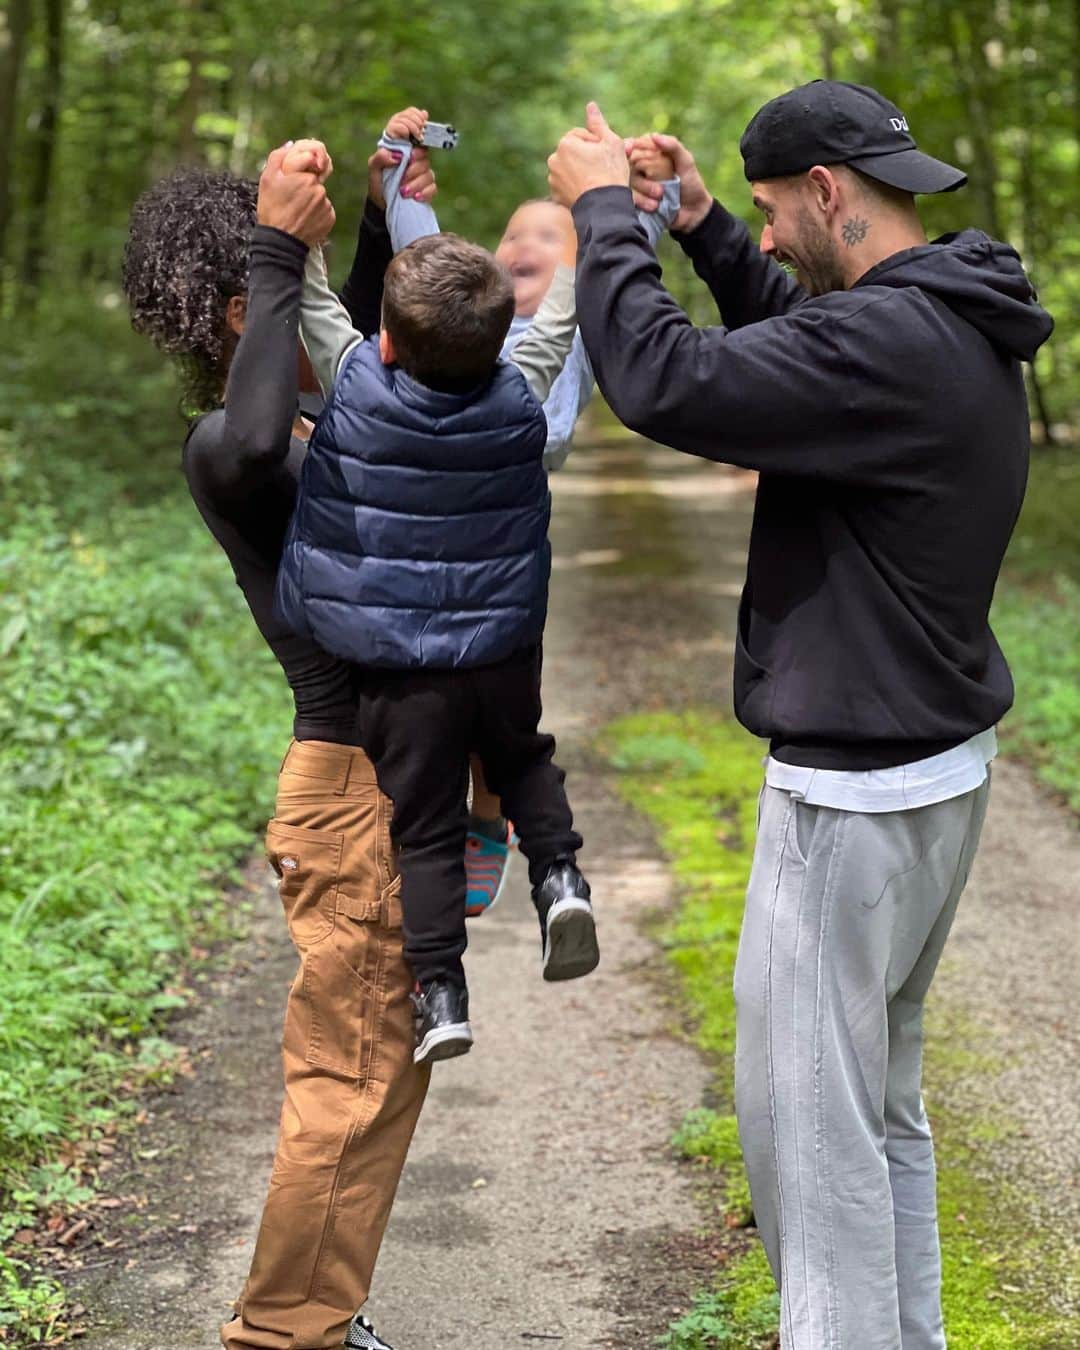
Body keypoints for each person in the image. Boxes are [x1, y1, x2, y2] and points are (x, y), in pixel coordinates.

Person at [547, 83, 1053, 1350]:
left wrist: (607, 216)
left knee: (810, 1147)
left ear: (829, 193)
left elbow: (666, 380)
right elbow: (803, 349)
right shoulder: (948, 314)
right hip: (934, 775)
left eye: (775, 214)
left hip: (852, 798)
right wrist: (709, 226)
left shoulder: (889, 343)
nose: (769, 240)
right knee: (876, 1114)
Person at [123, 124, 439, 1350]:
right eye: (271, 290)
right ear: (228, 308)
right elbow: (259, 425)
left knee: (377, 1076)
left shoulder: (307, 429)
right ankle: (287, 1332)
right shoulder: (230, 449)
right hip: (353, 797)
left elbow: (331, 352)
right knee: (350, 1084)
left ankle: (322, 1310)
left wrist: (363, 222)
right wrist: (270, 248)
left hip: (384, 788)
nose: (300, 309)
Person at [275, 139, 600, 1065]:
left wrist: (301, 233)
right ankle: (562, 879)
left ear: (382, 338)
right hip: (498, 649)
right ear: (501, 337)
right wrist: (586, 230)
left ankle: (444, 995)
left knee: (425, 832)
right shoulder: (523, 392)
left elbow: (311, 308)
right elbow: (562, 322)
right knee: (525, 759)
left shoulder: (354, 385)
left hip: (396, 669)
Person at [364, 108, 680, 915]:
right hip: (449, 509)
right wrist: (401, 169)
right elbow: (421, 263)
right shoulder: (474, 323)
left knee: (504, 695)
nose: (525, 246)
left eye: (553, 235)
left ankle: (490, 815)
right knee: (447, 680)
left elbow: (629, 246)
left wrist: (656, 194)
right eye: (512, 236)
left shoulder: (570, 324)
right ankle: (451, 822)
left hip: (511, 498)